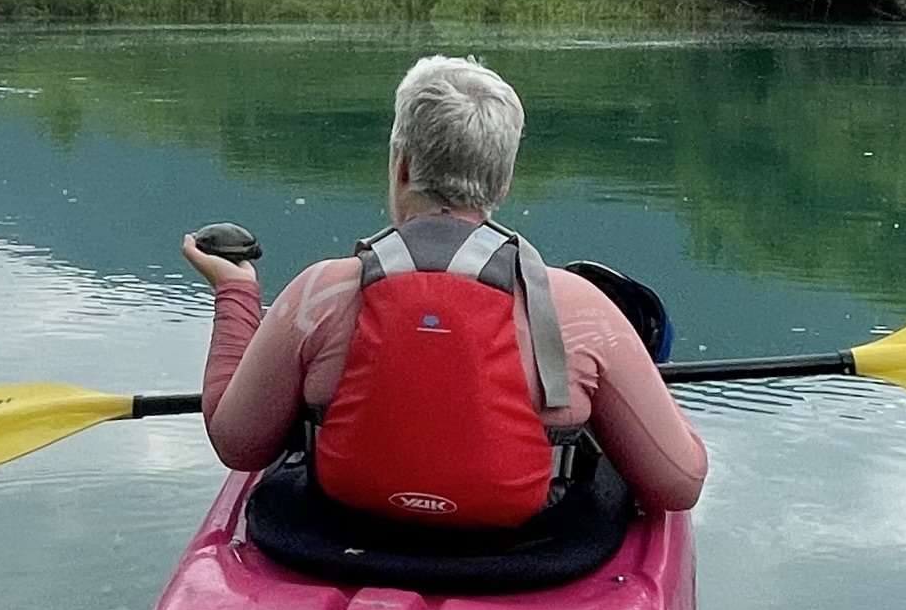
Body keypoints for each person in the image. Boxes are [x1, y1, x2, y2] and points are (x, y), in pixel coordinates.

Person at [181, 54, 707, 524]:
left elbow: (237, 443)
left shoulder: (316, 295)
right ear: (502, 184)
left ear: (402, 165)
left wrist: (235, 291)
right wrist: (641, 393)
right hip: (523, 557)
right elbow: (678, 484)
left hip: (345, 537)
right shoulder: (579, 308)